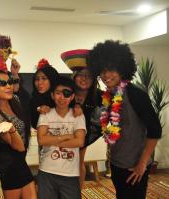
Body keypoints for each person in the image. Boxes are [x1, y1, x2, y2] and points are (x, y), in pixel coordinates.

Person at [88, 40, 162, 199]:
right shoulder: (109, 96)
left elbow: (155, 130)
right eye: (102, 70)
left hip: (134, 166)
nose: (106, 75)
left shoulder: (136, 95)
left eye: (111, 69)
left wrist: (142, 164)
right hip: (116, 163)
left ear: (122, 69)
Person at [0, 70, 37, 199]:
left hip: (20, 161)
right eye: (2, 83)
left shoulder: (15, 100)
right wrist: (12, 129)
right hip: (8, 165)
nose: (8, 86)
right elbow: (19, 147)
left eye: (9, 82)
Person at [37, 76, 86, 199]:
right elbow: (41, 140)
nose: (62, 97)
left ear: (72, 97)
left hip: (70, 173)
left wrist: (52, 140)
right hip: (47, 171)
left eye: (66, 94)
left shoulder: (78, 115)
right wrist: (67, 137)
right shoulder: (46, 114)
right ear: (52, 95)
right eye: (58, 93)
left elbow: (80, 141)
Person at [61, 49, 102, 187]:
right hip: (61, 136)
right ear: (74, 76)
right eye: (81, 75)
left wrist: (83, 140)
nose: (84, 79)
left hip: (83, 137)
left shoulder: (99, 97)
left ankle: (76, 193)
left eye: (89, 76)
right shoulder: (65, 92)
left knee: (78, 162)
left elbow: (100, 122)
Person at [29, 58, 60, 129]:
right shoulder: (33, 101)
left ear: (52, 80)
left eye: (44, 78)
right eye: (37, 79)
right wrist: (38, 109)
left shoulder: (63, 99)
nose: (39, 83)